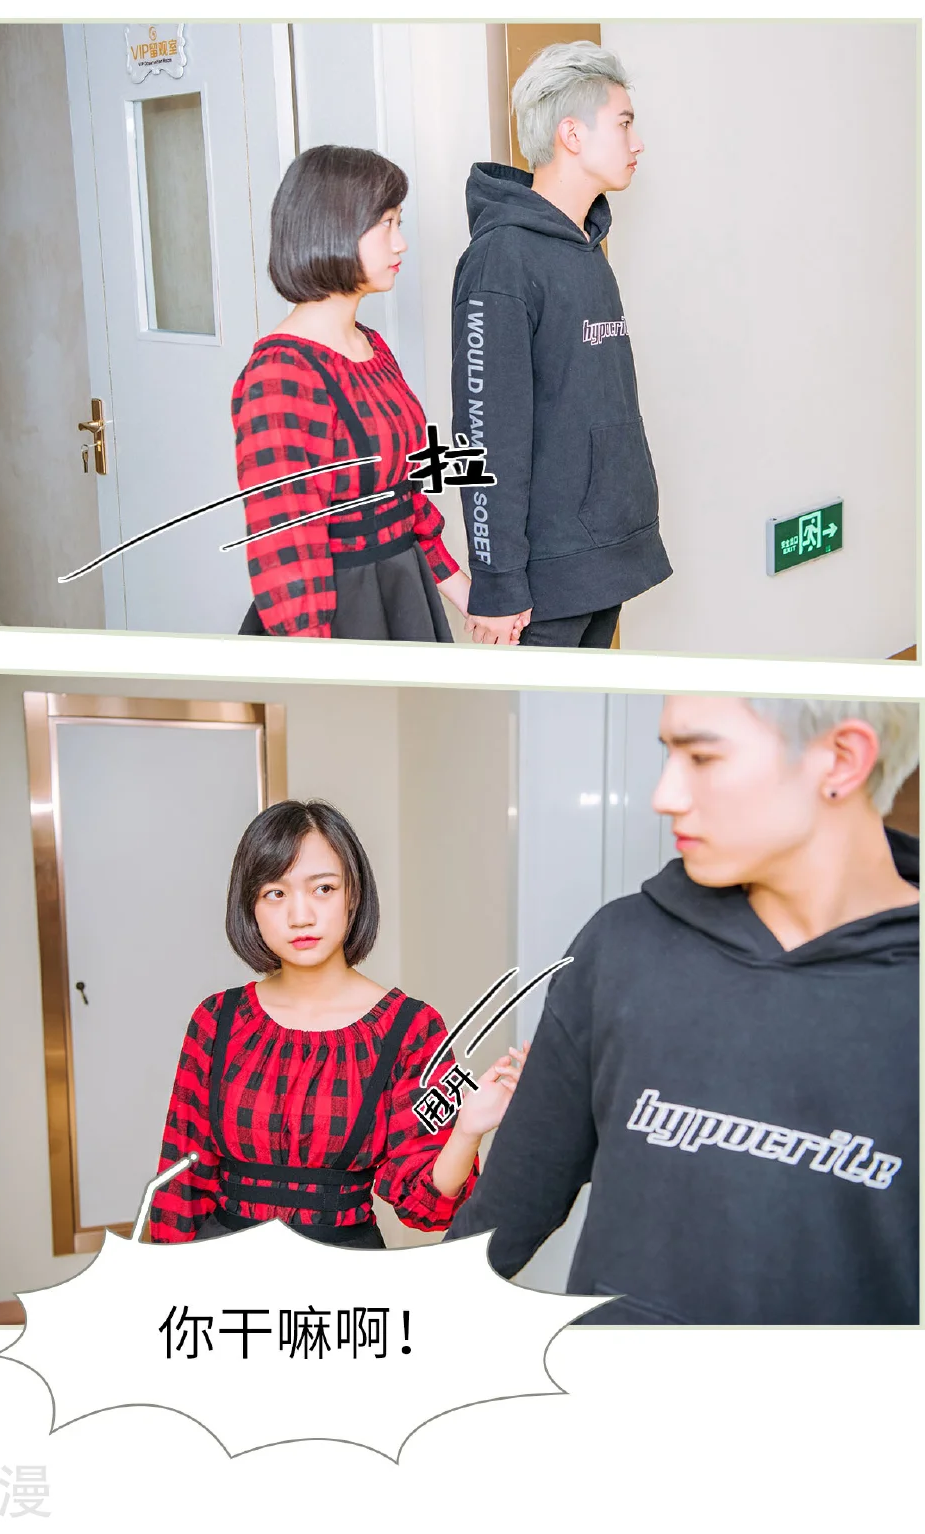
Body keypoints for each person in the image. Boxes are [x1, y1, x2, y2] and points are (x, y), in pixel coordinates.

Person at [446, 698, 920, 1324]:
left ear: (840, 759)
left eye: (702, 757)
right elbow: (508, 1208)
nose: (664, 796)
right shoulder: (620, 947)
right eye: (668, 754)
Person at [150, 799, 527, 1246]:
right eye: (276, 893)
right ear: (250, 906)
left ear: (353, 895)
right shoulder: (217, 1020)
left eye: (323, 888)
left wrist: (467, 1131)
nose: (301, 916)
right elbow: (179, 1184)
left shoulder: (409, 1028)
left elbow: (426, 1207)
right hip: (223, 1270)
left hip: (347, 1272)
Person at [451, 40, 672, 648]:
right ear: (571, 134)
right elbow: (485, 434)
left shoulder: (586, 247)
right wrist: (497, 583)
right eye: (623, 123)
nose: (637, 142)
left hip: (605, 558)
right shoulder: (502, 259)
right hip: (542, 584)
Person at [233, 145, 494, 643]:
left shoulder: (371, 348)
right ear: (335, 227)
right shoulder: (282, 373)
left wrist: (466, 595)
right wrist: (316, 663)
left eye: (400, 222)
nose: (402, 243)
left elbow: (405, 498)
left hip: (403, 588)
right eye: (387, 223)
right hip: (339, 616)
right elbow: (286, 547)